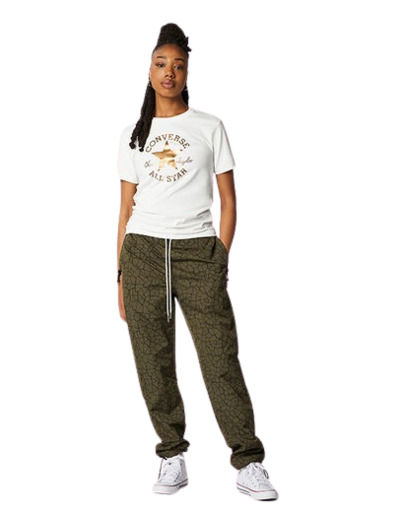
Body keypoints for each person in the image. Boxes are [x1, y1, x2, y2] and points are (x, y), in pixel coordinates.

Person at [116, 22, 278, 501]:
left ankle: (248, 460)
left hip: (197, 252)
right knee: (153, 361)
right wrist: (119, 275)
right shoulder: (133, 134)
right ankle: (172, 455)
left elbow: (229, 200)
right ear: (149, 71)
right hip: (143, 252)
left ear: (187, 74)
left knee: (220, 357)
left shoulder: (209, 127)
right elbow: (124, 210)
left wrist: (218, 256)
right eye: (161, 64)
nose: (169, 72)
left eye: (178, 65)